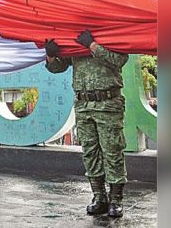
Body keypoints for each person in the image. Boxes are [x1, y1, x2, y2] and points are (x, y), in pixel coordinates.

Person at [44, 30, 129, 218]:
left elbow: (120, 59)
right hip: (83, 104)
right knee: (90, 152)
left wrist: (92, 45)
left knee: (112, 151)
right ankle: (99, 196)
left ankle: (116, 199)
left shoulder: (112, 34)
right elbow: (58, 67)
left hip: (108, 103)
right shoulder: (74, 37)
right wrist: (50, 55)